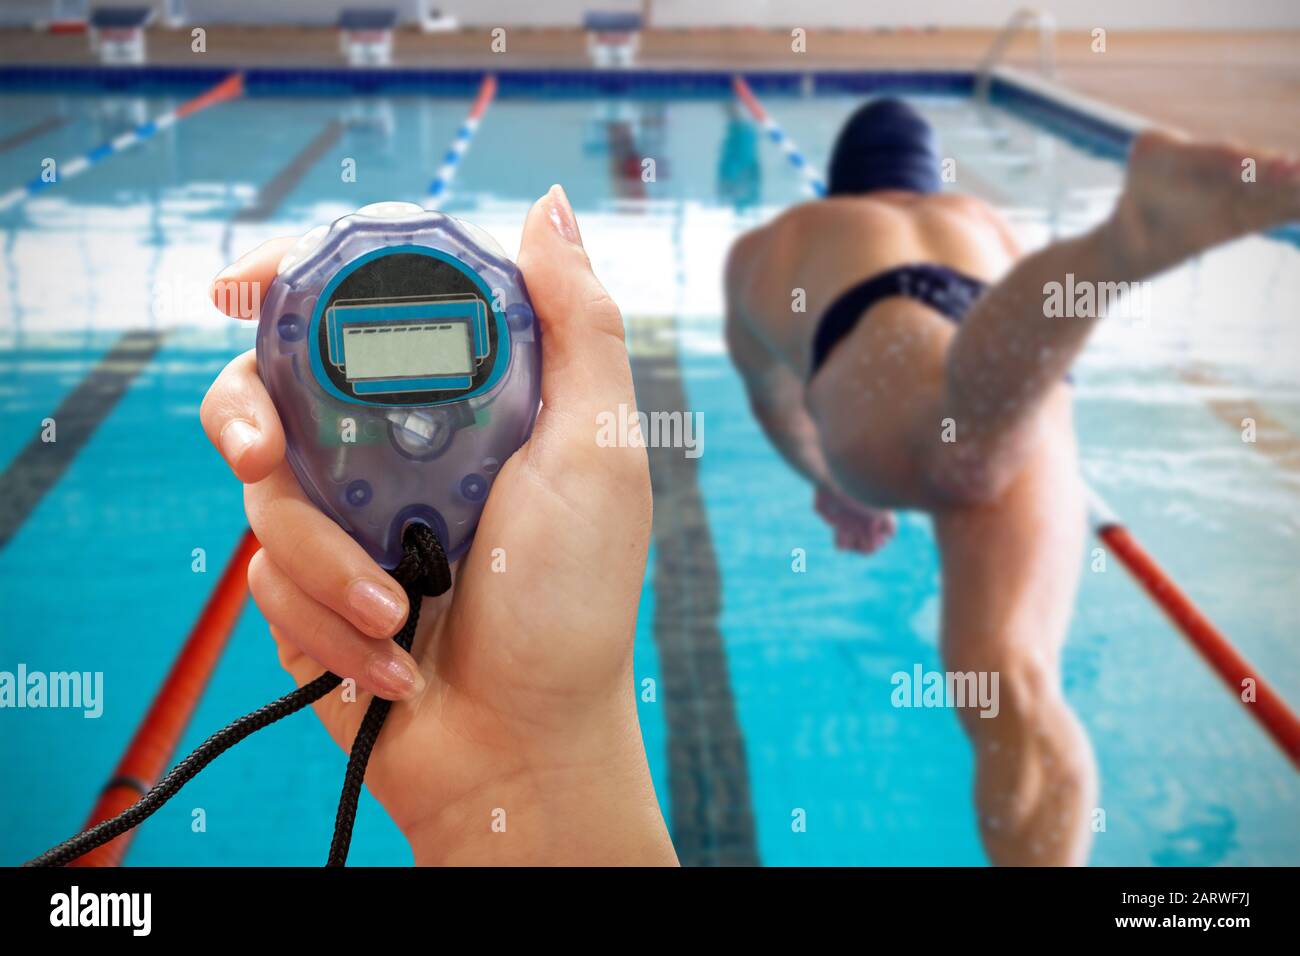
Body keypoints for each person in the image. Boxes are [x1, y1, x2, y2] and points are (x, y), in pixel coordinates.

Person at [724, 98, 1300, 865]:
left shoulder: (779, 242)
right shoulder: (979, 217)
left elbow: (775, 407)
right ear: (928, 179)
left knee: (951, 456)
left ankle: (1121, 250)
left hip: (879, 335)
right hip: (1009, 339)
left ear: (841, 183)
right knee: (1013, 679)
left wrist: (831, 484)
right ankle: (1108, 258)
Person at [202, 186, 678, 866]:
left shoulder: (327, 312)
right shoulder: (472, 307)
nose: (414, 425)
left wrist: (547, 767)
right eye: (373, 350)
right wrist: (537, 791)